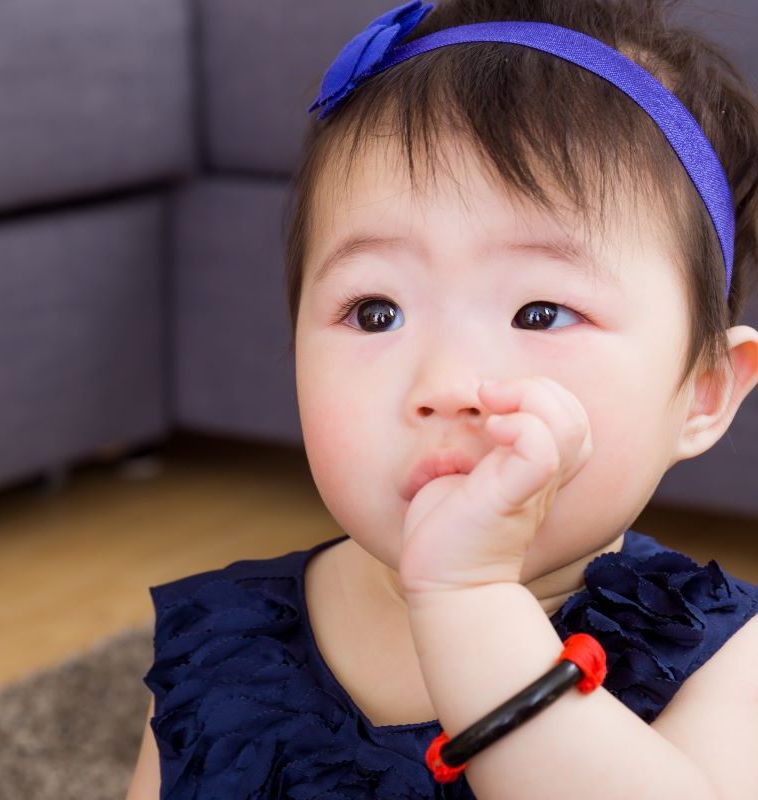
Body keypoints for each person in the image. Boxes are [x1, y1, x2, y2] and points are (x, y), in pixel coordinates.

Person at [126, 0, 758, 797]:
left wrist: (470, 605)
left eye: (541, 312)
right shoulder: (224, 643)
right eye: (375, 312)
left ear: (703, 392)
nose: (445, 385)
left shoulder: (729, 663)